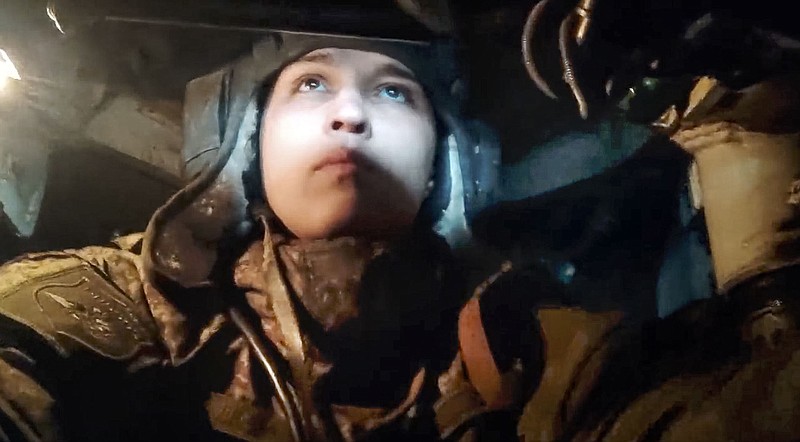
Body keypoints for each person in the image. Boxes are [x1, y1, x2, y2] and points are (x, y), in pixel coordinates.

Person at [0, 26, 538, 442]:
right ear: (251, 148)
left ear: (436, 169)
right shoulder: (142, 294)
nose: (349, 113)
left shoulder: (522, 330)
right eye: (311, 84)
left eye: (394, 93)